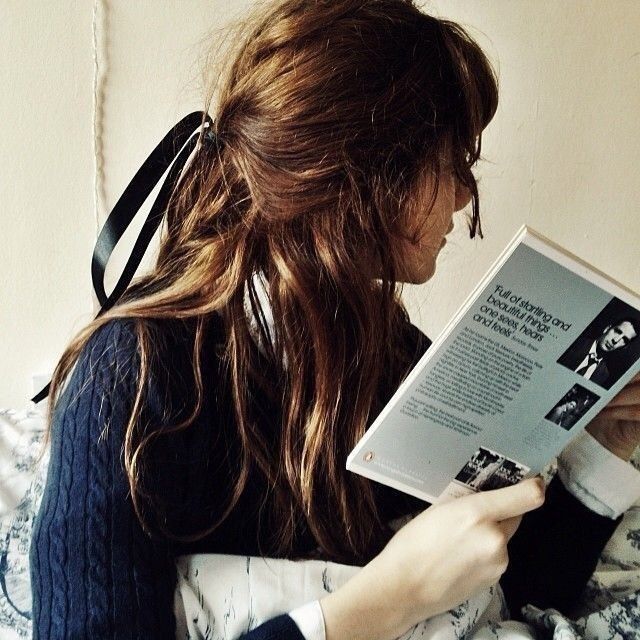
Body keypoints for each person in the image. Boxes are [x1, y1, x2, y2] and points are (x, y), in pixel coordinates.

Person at [29, 1, 640, 639]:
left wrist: (602, 452)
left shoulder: (395, 354)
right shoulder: (133, 372)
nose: (463, 196)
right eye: (453, 162)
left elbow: (502, 586)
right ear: (366, 173)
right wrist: (388, 600)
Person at [558, 318, 639, 387]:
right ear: (607, 329)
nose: (615, 340)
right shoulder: (574, 343)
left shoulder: (604, 374)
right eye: (617, 331)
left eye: (624, 339)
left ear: (624, 347)